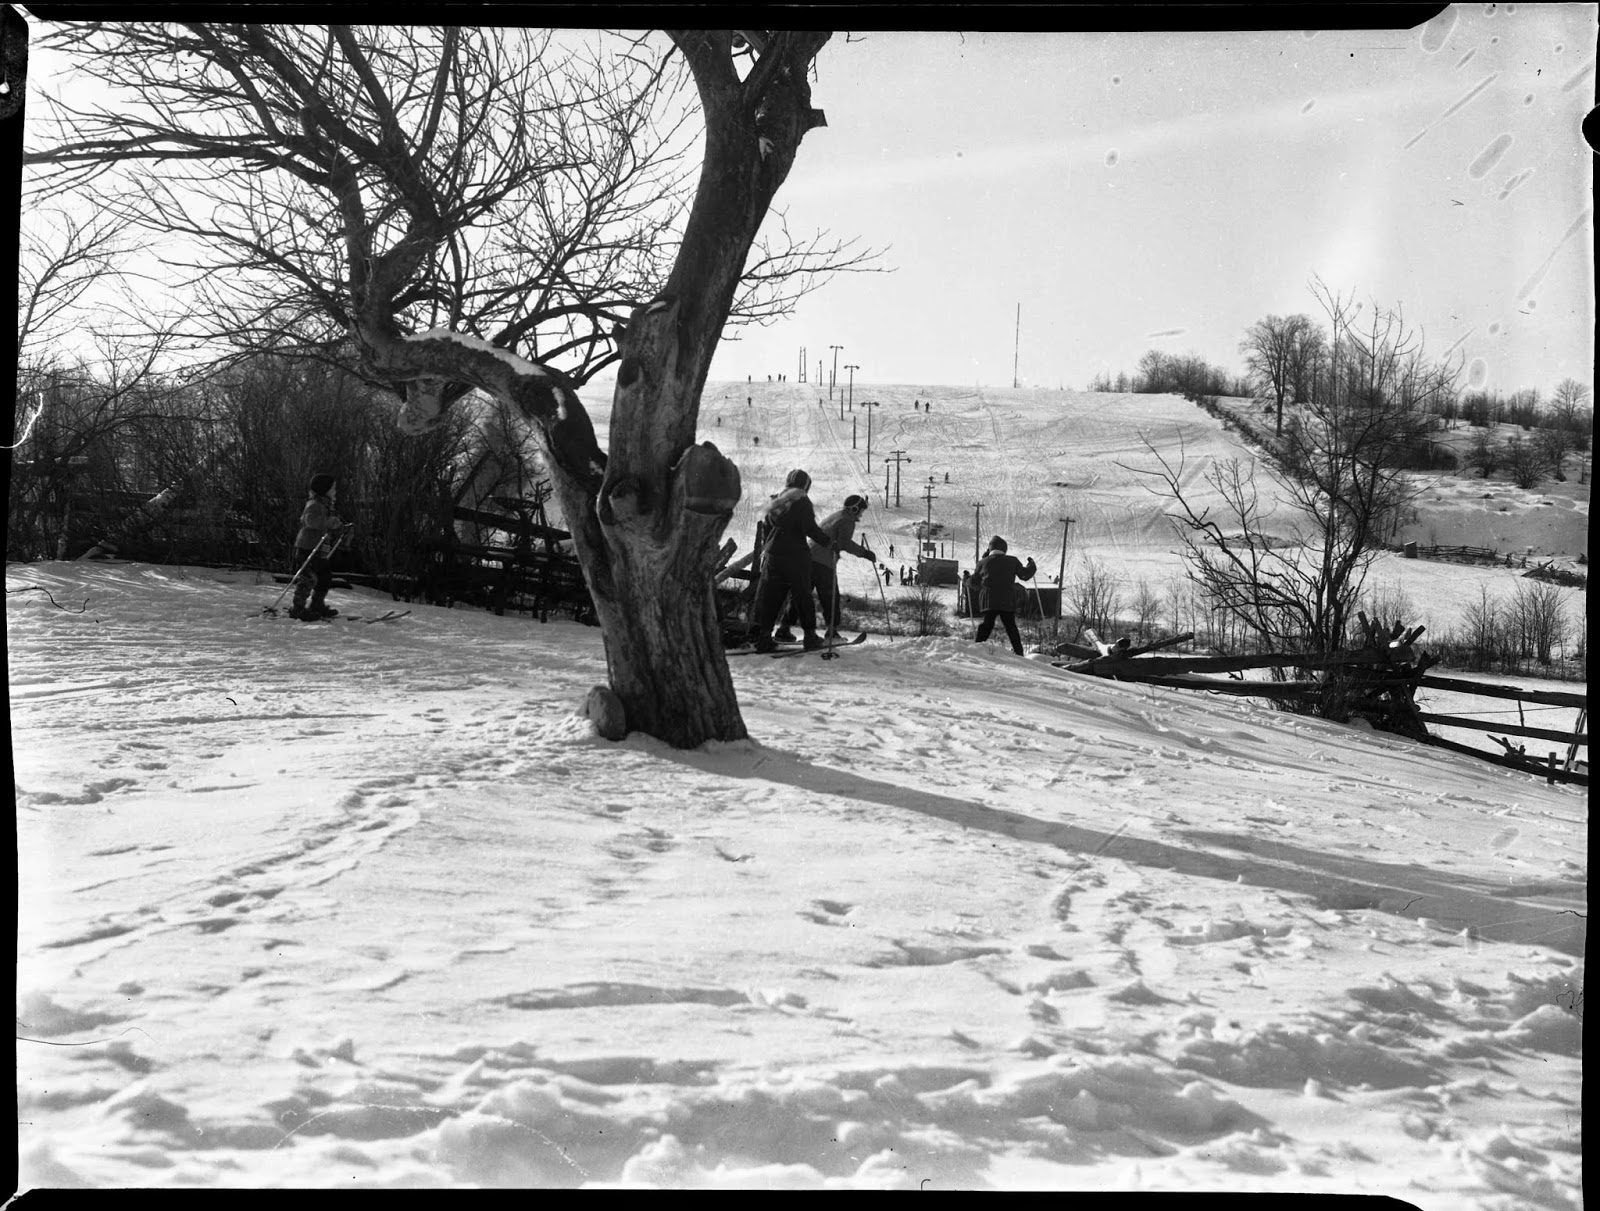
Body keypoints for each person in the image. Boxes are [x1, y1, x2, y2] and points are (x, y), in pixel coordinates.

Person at [748, 469, 832, 652]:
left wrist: (767, 551)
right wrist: (828, 542)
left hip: (773, 555)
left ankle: (763, 637)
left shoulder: (775, 501)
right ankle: (810, 636)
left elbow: (766, 530)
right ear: (805, 485)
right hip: (796, 556)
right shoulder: (802, 502)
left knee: (769, 596)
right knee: (802, 596)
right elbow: (810, 528)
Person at [775, 494, 875, 641]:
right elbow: (844, 543)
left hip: (807, 558)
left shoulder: (836, 516)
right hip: (823, 562)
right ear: (853, 509)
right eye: (860, 510)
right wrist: (864, 553)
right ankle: (832, 630)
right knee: (830, 597)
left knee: (801, 594)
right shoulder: (847, 520)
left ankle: (784, 628)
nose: (860, 514)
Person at [290, 472, 350, 620]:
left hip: (320, 549)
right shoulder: (314, 504)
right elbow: (310, 521)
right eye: (333, 488)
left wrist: (337, 525)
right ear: (324, 489)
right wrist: (328, 522)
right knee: (308, 578)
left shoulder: (326, 505)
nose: (335, 492)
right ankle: (297, 608)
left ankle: (317, 604)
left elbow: (325, 523)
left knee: (324, 576)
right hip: (308, 547)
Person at [972, 535, 1036, 655]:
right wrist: (1031, 565)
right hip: (1006, 601)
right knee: (1010, 626)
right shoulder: (1013, 561)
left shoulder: (982, 562)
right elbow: (1025, 575)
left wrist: (966, 578)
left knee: (987, 624)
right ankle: (1019, 652)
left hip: (988, 600)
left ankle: (977, 648)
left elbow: (974, 581)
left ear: (989, 549)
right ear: (1004, 549)